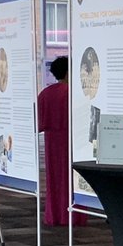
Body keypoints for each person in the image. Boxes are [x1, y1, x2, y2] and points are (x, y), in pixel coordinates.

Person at [37, 56, 87, 227]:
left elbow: (39, 123)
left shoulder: (45, 93)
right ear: (68, 72)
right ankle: (73, 215)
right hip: (72, 141)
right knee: (71, 177)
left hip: (52, 142)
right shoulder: (73, 93)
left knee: (54, 179)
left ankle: (55, 214)